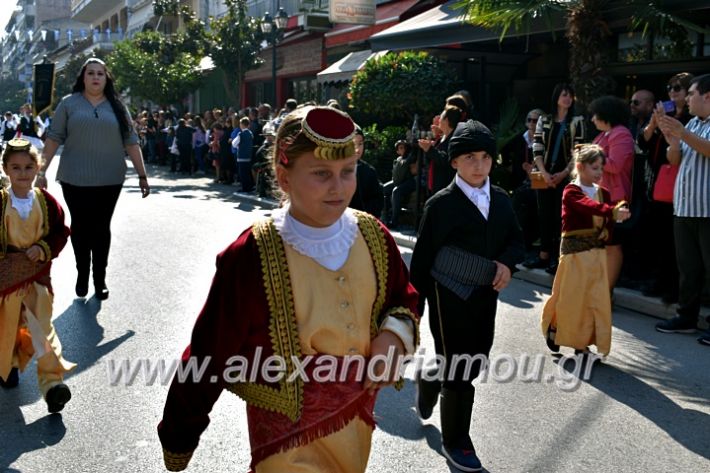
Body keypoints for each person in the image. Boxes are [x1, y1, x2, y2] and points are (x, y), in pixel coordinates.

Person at [158, 106, 419, 472]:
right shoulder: (252, 253)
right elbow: (210, 349)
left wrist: (393, 336)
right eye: (320, 173)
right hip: (286, 439)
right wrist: (179, 432)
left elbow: (401, 297)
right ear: (284, 177)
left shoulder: (374, 236)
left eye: (348, 172)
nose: (338, 186)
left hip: (356, 425)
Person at [410, 120, 525, 472]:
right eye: (470, 157)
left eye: (485, 157)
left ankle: (430, 377)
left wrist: (506, 264)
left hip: (486, 295)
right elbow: (422, 260)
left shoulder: (502, 200)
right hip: (448, 297)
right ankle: (456, 440)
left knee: (475, 359)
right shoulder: (441, 205)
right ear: (454, 161)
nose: (479, 165)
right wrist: (417, 308)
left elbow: (515, 240)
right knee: (459, 367)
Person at [36, 57, 150, 301]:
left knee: (101, 228)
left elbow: (131, 142)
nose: (96, 77)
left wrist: (142, 175)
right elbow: (53, 138)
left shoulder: (118, 106)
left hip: (110, 178)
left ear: (106, 78)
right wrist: (41, 171)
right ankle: (81, 274)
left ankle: (100, 279)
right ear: (83, 77)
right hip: (74, 178)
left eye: (100, 73)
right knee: (80, 227)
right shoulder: (69, 104)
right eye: (91, 73)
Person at [0, 138, 75, 412]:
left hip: (36, 279)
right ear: (6, 169)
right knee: (5, 328)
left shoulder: (46, 202)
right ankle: (8, 367)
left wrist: (43, 248)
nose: (23, 173)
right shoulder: (1, 202)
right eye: (16, 167)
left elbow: (60, 231)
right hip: (5, 282)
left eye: (28, 167)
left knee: (41, 328)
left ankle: (53, 384)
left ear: (38, 167)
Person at [541, 144, 630, 357]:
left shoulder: (604, 193)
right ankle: (556, 328)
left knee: (594, 299)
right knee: (571, 298)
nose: (599, 172)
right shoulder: (571, 191)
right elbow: (587, 207)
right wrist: (612, 212)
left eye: (601, 167)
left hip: (596, 255)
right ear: (580, 167)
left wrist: (610, 226)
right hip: (574, 255)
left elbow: (607, 224)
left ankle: (582, 345)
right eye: (594, 168)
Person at [654, 73, 710, 346]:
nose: (686, 99)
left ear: (708, 96)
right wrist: (673, 141)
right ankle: (686, 318)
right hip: (685, 207)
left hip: (707, 210)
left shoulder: (692, 127)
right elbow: (674, 160)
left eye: (692, 94)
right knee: (688, 268)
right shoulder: (692, 125)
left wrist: (682, 132)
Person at [638, 73, 694, 303]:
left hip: (685, 181)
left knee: (677, 242)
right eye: (670, 87)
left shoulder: (694, 119)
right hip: (660, 181)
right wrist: (654, 121)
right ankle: (660, 280)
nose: (673, 91)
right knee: (659, 236)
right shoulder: (666, 114)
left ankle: (675, 287)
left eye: (679, 87)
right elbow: (643, 143)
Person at [525, 83, 586, 274]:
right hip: (545, 173)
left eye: (570, 95)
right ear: (556, 98)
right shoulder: (545, 119)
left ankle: (559, 258)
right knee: (544, 215)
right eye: (563, 95)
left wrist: (564, 174)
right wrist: (543, 172)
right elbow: (537, 146)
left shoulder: (577, 121)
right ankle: (543, 255)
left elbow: (579, 150)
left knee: (561, 217)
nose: (567, 99)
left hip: (565, 175)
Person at [589, 96, 635, 291]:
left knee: (612, 245)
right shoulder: (604, 135)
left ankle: (606, 293)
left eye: (595, 115)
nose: (592, 119)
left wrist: (589, 156)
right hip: (598, 196)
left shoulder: (621, 134)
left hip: (614, 199)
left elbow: (615, 165)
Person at [507, 108, 543, 250]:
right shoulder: (518, 139)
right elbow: (506, 154)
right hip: (520, 182)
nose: (532, 123)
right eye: (529, 120)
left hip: (540, 183)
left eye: (535, 120)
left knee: (536, 211)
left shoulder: (545, 140)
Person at [420, 105, 463, 195]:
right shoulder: (442, 137)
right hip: (435, 185)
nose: (439, 120)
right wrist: (428, 147)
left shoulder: (455, 139)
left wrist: (429, 149)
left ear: (446, 120)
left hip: (445, 188)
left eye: (441, 117)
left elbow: (446, 160)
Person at [349, 126, 384, 217]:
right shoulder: (336, 170)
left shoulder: (369, 171)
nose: (357, 149)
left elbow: (377, 200)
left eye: (360, 144)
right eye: (353, 144)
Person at [383, 139, 416, 228]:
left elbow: (413, 170)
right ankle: (385, 216)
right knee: (382, 189)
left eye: (404, 147)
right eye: (400, 148)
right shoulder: (398, 160)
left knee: (396, 191)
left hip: (409, 181)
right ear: (397, 151)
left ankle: (394, 221)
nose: (403, 149)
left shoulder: (410, 157)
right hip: (398, 181)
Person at [232, 116, 254, 192]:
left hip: (241, 156)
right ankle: (249, 187)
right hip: (249, 155)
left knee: (242, 173)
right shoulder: (250, 133)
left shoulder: (240, 134)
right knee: (247, 173)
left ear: (242, 124)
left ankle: (245, 188)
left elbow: (234, 144)